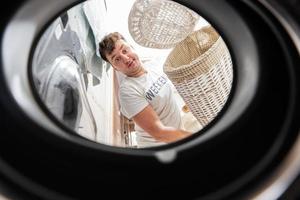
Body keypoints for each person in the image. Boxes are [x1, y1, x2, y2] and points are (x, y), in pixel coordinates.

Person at [99, 32, 191, 148]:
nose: (126, 58)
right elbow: (160, 133)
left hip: (176, 135)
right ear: (115, 67)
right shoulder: (128, 91)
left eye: (125, 50)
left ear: (132, 47)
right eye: (117, 59)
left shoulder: (155, 66)